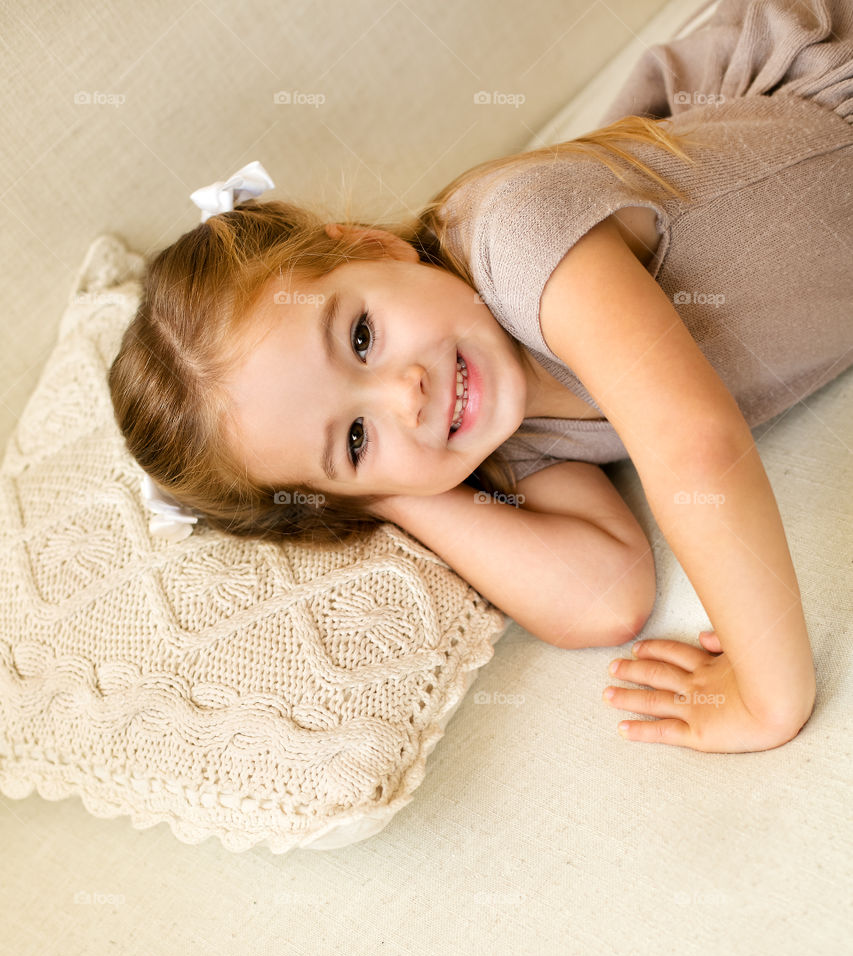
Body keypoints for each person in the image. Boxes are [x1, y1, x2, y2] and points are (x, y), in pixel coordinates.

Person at [108, 0, 853, 756]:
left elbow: (692, 441)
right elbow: (605, 597)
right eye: (356, 437)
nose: (406, 395)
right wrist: (400, 489)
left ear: (374, 248)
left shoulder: (516, 235)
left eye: (361, 336)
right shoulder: (508, 431)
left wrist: (768, 694)